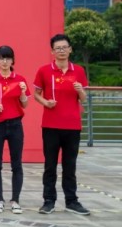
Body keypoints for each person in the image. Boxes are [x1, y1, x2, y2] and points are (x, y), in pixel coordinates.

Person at [34, 34, 90, 215]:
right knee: (50, 166)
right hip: (51, 125)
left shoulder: (78, 71)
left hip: (72, 126)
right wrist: (46, 102)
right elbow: (36, 94)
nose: (61, 51)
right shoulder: (44, 71)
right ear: (52, 51)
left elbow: (83, 99)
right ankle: (48, 201)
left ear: (70, 49)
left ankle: (71, 201)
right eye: (57, 48)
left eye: (64, 47)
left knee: (70, 166)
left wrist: (80, 91)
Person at [0, 45, 29, 214]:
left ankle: (15, 200)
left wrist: (23, 93)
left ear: (12, 60)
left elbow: (25, 104)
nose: (4, 61)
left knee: (17, 163)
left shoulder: (20, 80)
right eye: (1, 58)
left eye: (8, 58)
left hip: (15, 124)